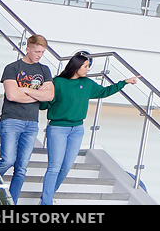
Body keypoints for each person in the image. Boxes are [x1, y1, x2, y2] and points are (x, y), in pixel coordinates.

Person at [38, 51, 139, 206]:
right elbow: (44, 105)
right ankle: (46, 203)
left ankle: (47, 197)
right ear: (76, 66)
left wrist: (124, 82)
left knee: (65, 168)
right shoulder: (57, 82)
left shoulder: (87, 84)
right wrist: (41, 91)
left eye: (88, 66)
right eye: (85, 66)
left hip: (77, 129)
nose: (88, 69)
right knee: (54, 167)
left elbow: (105, 92)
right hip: (58, 128)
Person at [0, 33, 53, 203]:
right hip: (11, 120)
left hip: (32, 123)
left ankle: (11, 202)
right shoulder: (12, 68)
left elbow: (49, 96)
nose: (39, 55)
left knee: (21, 168)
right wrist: (37, 94)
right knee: (8, 160)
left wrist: (25, 91)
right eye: (36, 51)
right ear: (27, 49)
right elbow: (12, 95)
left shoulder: (44, 70)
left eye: (42, 52)